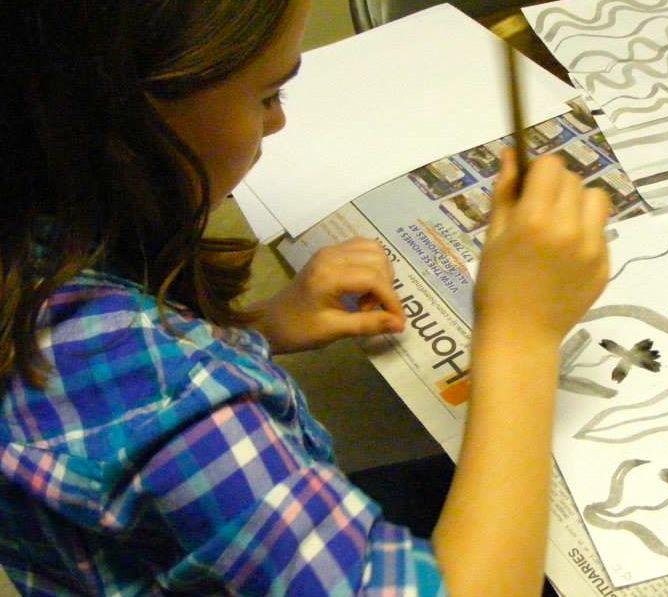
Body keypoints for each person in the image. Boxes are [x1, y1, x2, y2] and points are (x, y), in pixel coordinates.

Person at [0, 1, 610, 595]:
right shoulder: (176, 399)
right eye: (268, 95)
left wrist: (255, 332)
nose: (278, 123)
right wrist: (521, 336)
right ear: (123, 116)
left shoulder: (36, 239)